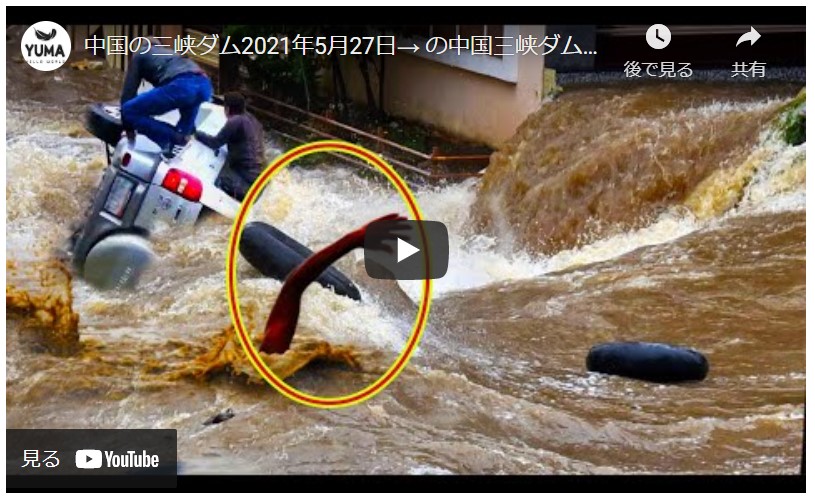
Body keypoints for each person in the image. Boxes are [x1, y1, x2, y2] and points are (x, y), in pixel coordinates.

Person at [261, 214, 409, 354]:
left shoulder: (271, 350)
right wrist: (353, 240)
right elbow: (294, 286)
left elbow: (294, 286)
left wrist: (353, 240)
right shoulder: (274, 350)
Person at [120, 39, 213, 154]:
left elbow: (128, 94)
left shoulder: (140, 54)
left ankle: (171, 140)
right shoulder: (171, 53)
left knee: (128, 110)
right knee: (184, 133)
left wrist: (129, 130)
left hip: (182, 85)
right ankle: (181, 141)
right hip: (204, 85)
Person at [195, 92, 265, 201]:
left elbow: (215, 143)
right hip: (260, 177)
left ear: (227, 109)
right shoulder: (251, 119)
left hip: (247, 183)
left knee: (212, 181)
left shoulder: (235, 122)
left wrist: (194, 133)